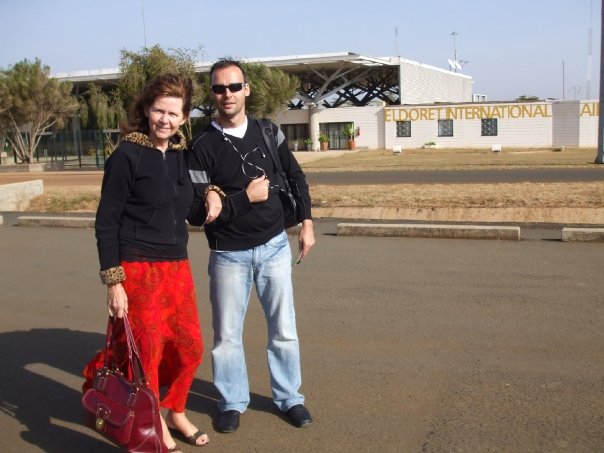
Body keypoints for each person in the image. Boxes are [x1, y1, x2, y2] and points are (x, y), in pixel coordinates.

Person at [83, 73, 222, 452]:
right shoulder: (126, 155)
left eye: (173, 113)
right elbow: (106, 222)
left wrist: (212, 194)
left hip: (177, 267)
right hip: (137, 267)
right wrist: (114, 282)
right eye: (159, 111)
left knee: (189, 347)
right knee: (148, 353)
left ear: (184, 117)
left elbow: (192, 212)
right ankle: (153, 418)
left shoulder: (181, 157)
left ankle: (176, 410)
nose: (165, 119)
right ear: (146, 110)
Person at [187, 58, 315, 433]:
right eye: (218, 88)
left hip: (275, 246)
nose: (226, 94)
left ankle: (289, 397)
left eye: (233, 86)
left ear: (246, 89)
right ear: (212, 94)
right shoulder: (201, 146)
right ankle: (231, 401)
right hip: (228, 254)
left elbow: (294, 175)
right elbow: (196, 212)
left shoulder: (268, 131)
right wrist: (245, 198)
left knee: (284, 329)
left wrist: (307, 222)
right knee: (227, 336)